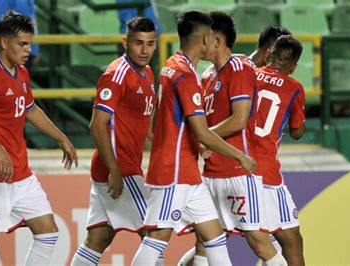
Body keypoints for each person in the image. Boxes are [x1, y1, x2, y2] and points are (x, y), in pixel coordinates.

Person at [131, 11, 256, 266]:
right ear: (205, 38)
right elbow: (201, 131)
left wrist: (189, 145)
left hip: (187, 173)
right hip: (174, 173)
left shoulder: (171, 66)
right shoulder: (187, 77)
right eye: (211, 36)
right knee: (156, 238)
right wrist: (239, 156)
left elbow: (163, 122)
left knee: (215, 237)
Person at [0, 11, 78, 265]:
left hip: (20, 172)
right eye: (23, 44)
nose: (29, 50)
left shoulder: (21, 72)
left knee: (48, 233)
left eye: (31, 44)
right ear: (3, 42)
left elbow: (30, 108)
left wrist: (61, 137)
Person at [180, 12, 287, 265]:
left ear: (216, 40)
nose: (200, 44)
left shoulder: (239, 68)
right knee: (205, 240)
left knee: (258, 242)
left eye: (204, 38)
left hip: (237, 173)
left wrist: (203, 137)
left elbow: (239, 119)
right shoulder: (208, 76)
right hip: (211, 173)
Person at [71, 16, 160, 266]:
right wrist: (115, 169)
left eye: (150, 44)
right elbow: (97, 124)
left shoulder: (149, 74)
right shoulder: (116, 75)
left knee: (99, 238)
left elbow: (146, 124)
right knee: (154, 236)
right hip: (119, 167)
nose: (144, 50)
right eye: (138, 43)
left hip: (121, 166)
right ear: (125, 42)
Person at [249, 35, 306, 266]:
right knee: (291, 240)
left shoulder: (248, 74)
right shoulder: (294, 88)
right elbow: (297, 132)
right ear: (293, 66)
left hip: (231, 166)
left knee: (211, 236)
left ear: (269, 54)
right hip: (266, 172)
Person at [0, 0, 39, 72]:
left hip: (26, 49)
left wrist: (35, 50)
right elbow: (3, 24)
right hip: (10, 50)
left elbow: (33, 22)